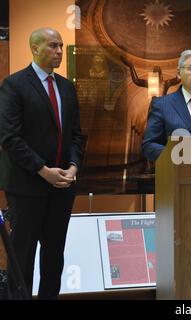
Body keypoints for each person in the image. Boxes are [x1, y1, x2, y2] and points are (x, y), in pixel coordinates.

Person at [0, 28, 83, 299]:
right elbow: (10, 138)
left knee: (54, 255)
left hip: (62, 187)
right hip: (27, 186)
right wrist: (43, 170)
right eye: (52, 46)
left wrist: (73, 166)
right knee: (22, 256)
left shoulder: (67, 88)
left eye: (61, 45)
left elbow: (76, 135)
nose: (59, 51)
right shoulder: (14, 85)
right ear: (34, 49)